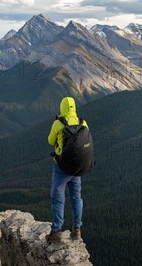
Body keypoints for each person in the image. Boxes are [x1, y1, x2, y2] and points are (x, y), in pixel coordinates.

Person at [47, 97, 89, 242]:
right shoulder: (82, 122)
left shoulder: (58, 123)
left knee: (58, 199)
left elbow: (50, 141)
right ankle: (77, 230)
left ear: (62, 107)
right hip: (77, 168)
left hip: (61, 168)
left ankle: (56, 231)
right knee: (76, 198)